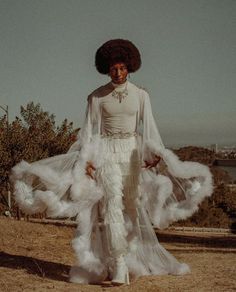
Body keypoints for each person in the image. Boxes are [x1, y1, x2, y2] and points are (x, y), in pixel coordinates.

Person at [12, 39, 213, 285]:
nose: (117, 73)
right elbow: (87, 132)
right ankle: (118, 266)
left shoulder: (141, 96)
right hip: (105, 153)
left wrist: (155, 154)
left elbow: (149, 128)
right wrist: (84, 160)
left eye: (122, 68)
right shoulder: (96, 97)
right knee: (110, 207)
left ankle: (131, 261)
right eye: (113, 68)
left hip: (132, 154)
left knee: (131, 207)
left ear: (129, 67)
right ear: (106, 69)